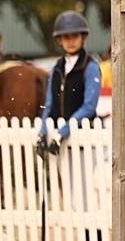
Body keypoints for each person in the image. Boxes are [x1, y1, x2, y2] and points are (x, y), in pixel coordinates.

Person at [35, 12, 103, 156]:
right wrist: (43, 132)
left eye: (75, 36)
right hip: (59, 141)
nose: (70, 41)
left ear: (83, 37)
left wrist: (62, 132)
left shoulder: (90, 67)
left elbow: (89, 107)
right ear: (59, 40)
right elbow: (49, 104)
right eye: (66, 37)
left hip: (84, 138)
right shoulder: (56, 69)